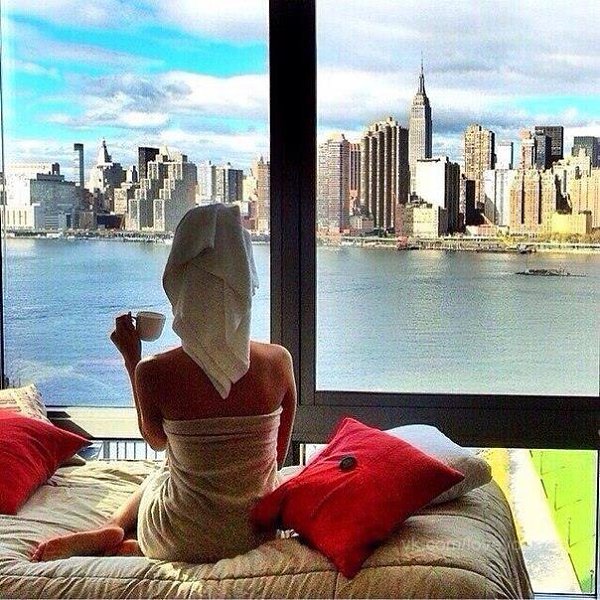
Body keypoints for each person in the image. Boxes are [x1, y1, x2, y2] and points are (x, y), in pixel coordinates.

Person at [31, 204, 296, 563]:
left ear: (182, 287)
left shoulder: (154, 371)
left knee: (164, 471)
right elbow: (276, 458)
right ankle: (128, 542)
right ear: (244, 285)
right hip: (255, 534)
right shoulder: (279, 362)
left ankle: (115, 527)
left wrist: (132, 360)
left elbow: (156, 440)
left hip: (179, 535)